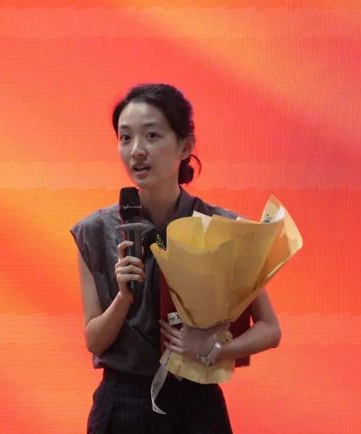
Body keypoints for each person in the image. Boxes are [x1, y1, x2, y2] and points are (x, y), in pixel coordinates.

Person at [70, 83, 282, 434]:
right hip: (123, 404)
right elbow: (94, 341)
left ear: (186, 146)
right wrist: (123, 297)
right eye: (125, 138)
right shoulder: (95, 231)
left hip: (196, 405)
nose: (137, 150)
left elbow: (270, 330)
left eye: (152, 135)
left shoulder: (223, 228)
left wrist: (213, 349)